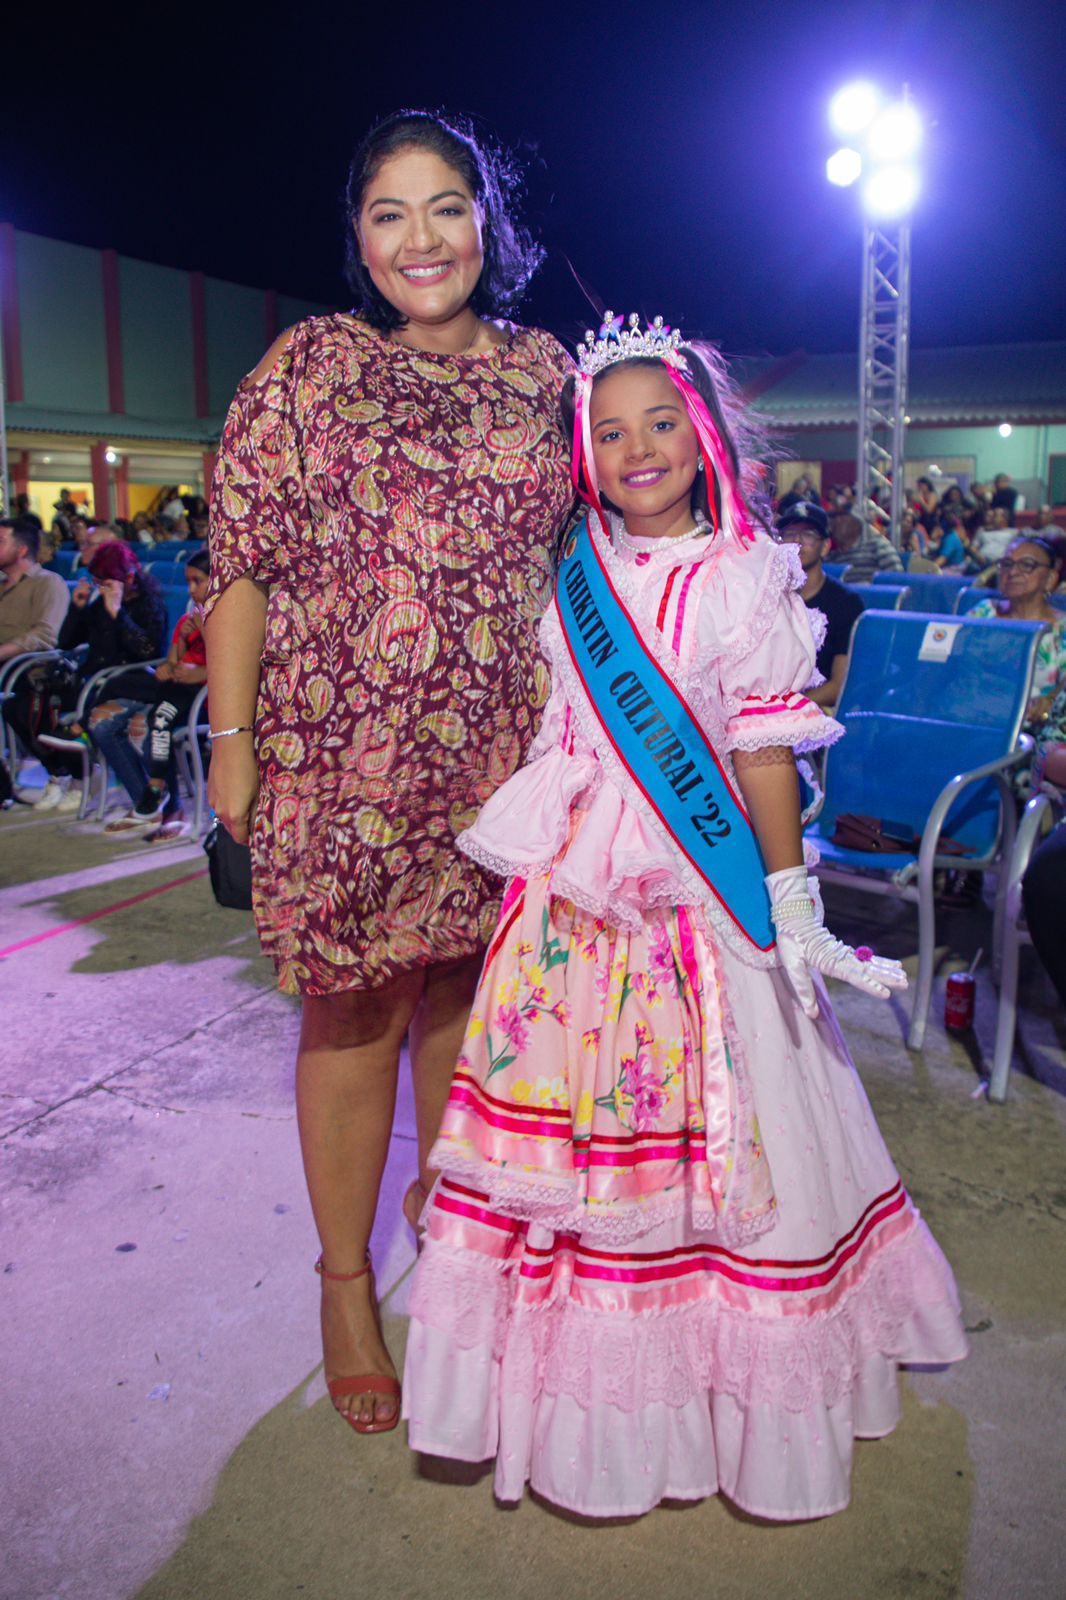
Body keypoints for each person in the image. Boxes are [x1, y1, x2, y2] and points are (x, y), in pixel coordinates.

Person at [401, 316, 967, 1521]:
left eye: (662, 422)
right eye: (608, 432)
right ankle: (566, 1406)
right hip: (572, 893)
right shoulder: (574, 573)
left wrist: (789, 897)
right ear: (581, 454)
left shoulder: (743, 573)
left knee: (741, 1144)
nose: (637, 446)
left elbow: (762, 755)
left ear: (704, 434)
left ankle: (736, 1406)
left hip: (697, 895)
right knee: (572, 1158)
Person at [204, 110, 575, 1435]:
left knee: (464, 1004)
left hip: (498, 764)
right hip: (339, 761)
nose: (420, 239)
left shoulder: (546, 375)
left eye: (444, 208)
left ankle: (449, 1215)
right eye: (387, 214)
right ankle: (344, 1282)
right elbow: (238, 564)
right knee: (354, 1013)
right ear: (357, 239)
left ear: (487, 223)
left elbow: (593, 557)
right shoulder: (306, 369)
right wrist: (232, 748)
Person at [11, 541, 166, 810]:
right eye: (98, 583)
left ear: (128, 578)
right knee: (22, 705)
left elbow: (147, 651)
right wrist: (78, 608)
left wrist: (117, 612)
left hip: (132, 684)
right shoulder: (98, 606)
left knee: (101, 724)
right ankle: (63, 770)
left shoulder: (149, 606)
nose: (101, 589)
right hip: (95, 684)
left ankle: (139, 799)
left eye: (106, 583)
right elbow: (67, 643)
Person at [92, 550, 210, 839]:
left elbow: (232, 662)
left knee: (150, 723)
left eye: (198, 581)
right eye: (188, 582)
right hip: (170, 688)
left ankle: (161, 798)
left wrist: (199, 670)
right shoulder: (188, 619)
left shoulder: (226, 619)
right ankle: (148, 804)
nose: (191, 590)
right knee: (105, 722)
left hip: (205, 696)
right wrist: (172, 663)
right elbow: (169, 659)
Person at [967, 536, 1065, 719]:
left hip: (1027, 725)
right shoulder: (983, 612)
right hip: (969, 716)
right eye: (1007, 563)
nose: (1012, 572)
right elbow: (947, 661)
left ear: (1050, 579)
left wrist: (1049, 701)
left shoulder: (1062, 630)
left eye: (1027, 565)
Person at [776, 500, 862, 708]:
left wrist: (787, 709)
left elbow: (840, 684)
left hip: (817, 708)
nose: (797, 541)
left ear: (825, 546)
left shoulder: (845, 604)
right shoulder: (770, 597)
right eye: (789, 534)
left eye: (808, 535)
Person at [0, 518, 70, 665]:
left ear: (22, 550)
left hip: (21, 667)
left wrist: (3, 651)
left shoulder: (47, 583)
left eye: (1, 541)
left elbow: (44, 635)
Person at [829, 509, 904, 580]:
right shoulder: (832, 557)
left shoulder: (878, 546)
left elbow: (896, 578)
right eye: (834, 519)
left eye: (842, 518)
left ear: (856, 525)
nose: (836, 522)